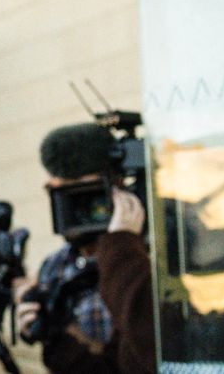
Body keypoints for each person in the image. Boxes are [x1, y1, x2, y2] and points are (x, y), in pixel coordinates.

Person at [13, 123, 156, 374]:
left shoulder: (149, 257)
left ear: (119, 186)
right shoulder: (56, 267)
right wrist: (51, 333)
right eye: (62, 195)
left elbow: (149, 352)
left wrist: (123, 246)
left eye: (85, 194)